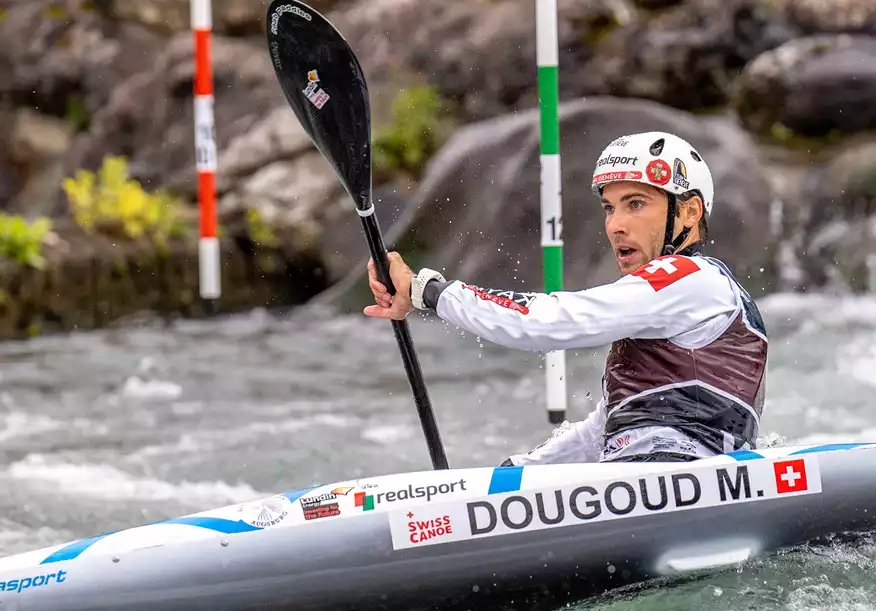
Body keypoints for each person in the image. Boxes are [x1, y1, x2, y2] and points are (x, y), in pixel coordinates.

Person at [363, 131, 768, 464]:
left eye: (636, 204)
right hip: (650, 480)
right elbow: (605, 429)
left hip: (685, 481)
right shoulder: (675, 303)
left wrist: (427, 291)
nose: (616, 226)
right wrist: (520, 472)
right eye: (610, 208)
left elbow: (546, 322)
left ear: (690, 212)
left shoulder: (691, 279)